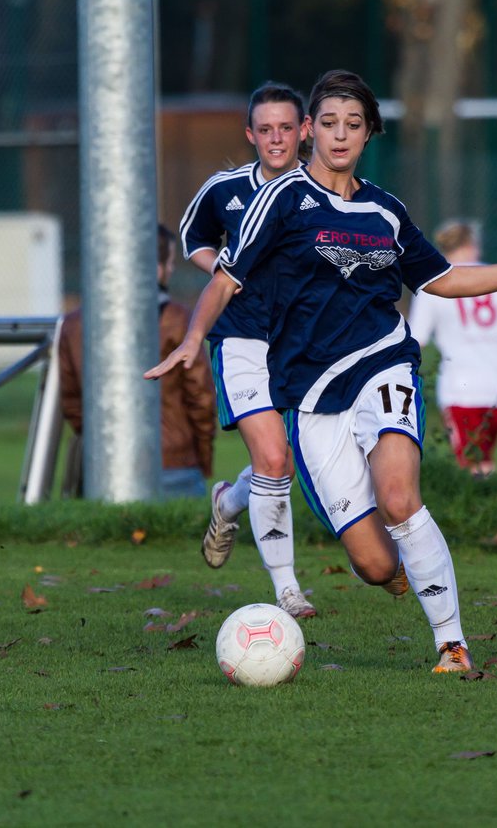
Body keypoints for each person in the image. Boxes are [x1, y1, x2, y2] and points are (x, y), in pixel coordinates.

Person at [148, 69, 497, 673]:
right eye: (329, 123)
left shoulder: (386, 210)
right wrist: (194, 337)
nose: (340, 135)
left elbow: (443, 280)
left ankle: (452, 643)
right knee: (376, 565)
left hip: (382, 364)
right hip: (308, 393)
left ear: (369, 134)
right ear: (311, 131)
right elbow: (227, 278)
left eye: (353, 125)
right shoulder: (280, 199)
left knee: (399, 496)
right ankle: (393, 574)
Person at [178, 82, 316, 619]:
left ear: (304, 131)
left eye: (286, 127)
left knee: (283, 462)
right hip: (240, 339)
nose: (276, 139)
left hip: (304, 343)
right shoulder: (225, 189)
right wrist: (224, 274)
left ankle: (228, 502)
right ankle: (287, 589)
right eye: (265, 130)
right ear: (250, 134)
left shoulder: (323, 191)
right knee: (275, 459)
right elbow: (193, 238)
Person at [58, 224, 216, 499]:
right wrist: (200, 457)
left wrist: (102, 442)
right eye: (168, 262)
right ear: (154, 267)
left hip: (102, 467)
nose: (171, 270)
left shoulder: (73, 325)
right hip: (175, 466)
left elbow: (71, 401)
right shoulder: (179, 320)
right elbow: (201, 398)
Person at [407, 220, 497, 478]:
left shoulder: (433, 284)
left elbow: (416, 340)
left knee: (471, 465)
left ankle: (484, 513)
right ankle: (493, 506)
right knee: (483, 460)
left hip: (462, 392)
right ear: (472, 244)